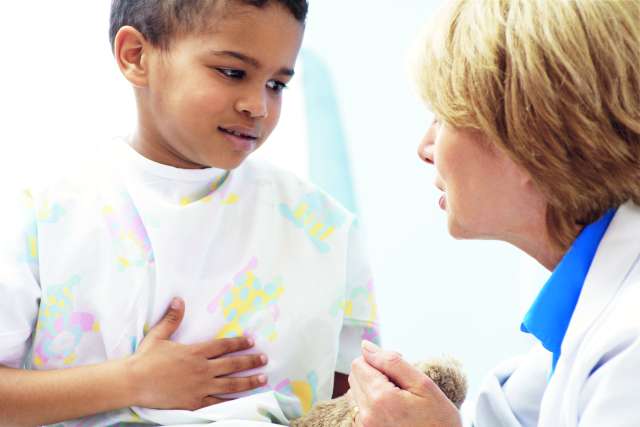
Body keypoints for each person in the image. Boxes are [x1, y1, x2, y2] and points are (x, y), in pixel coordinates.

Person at [0, 1, 379, 426]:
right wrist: (131, 382)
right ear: (136, 56)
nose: (257, 105)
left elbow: (354, 402)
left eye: (276, 85)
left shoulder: (324, 229)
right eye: (233, 72)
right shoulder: (42, 212)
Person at [348, 0, 640, 426]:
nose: (425, 148)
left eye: (442, 117)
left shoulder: (629, 341)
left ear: (528, 139)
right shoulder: (582, 319)